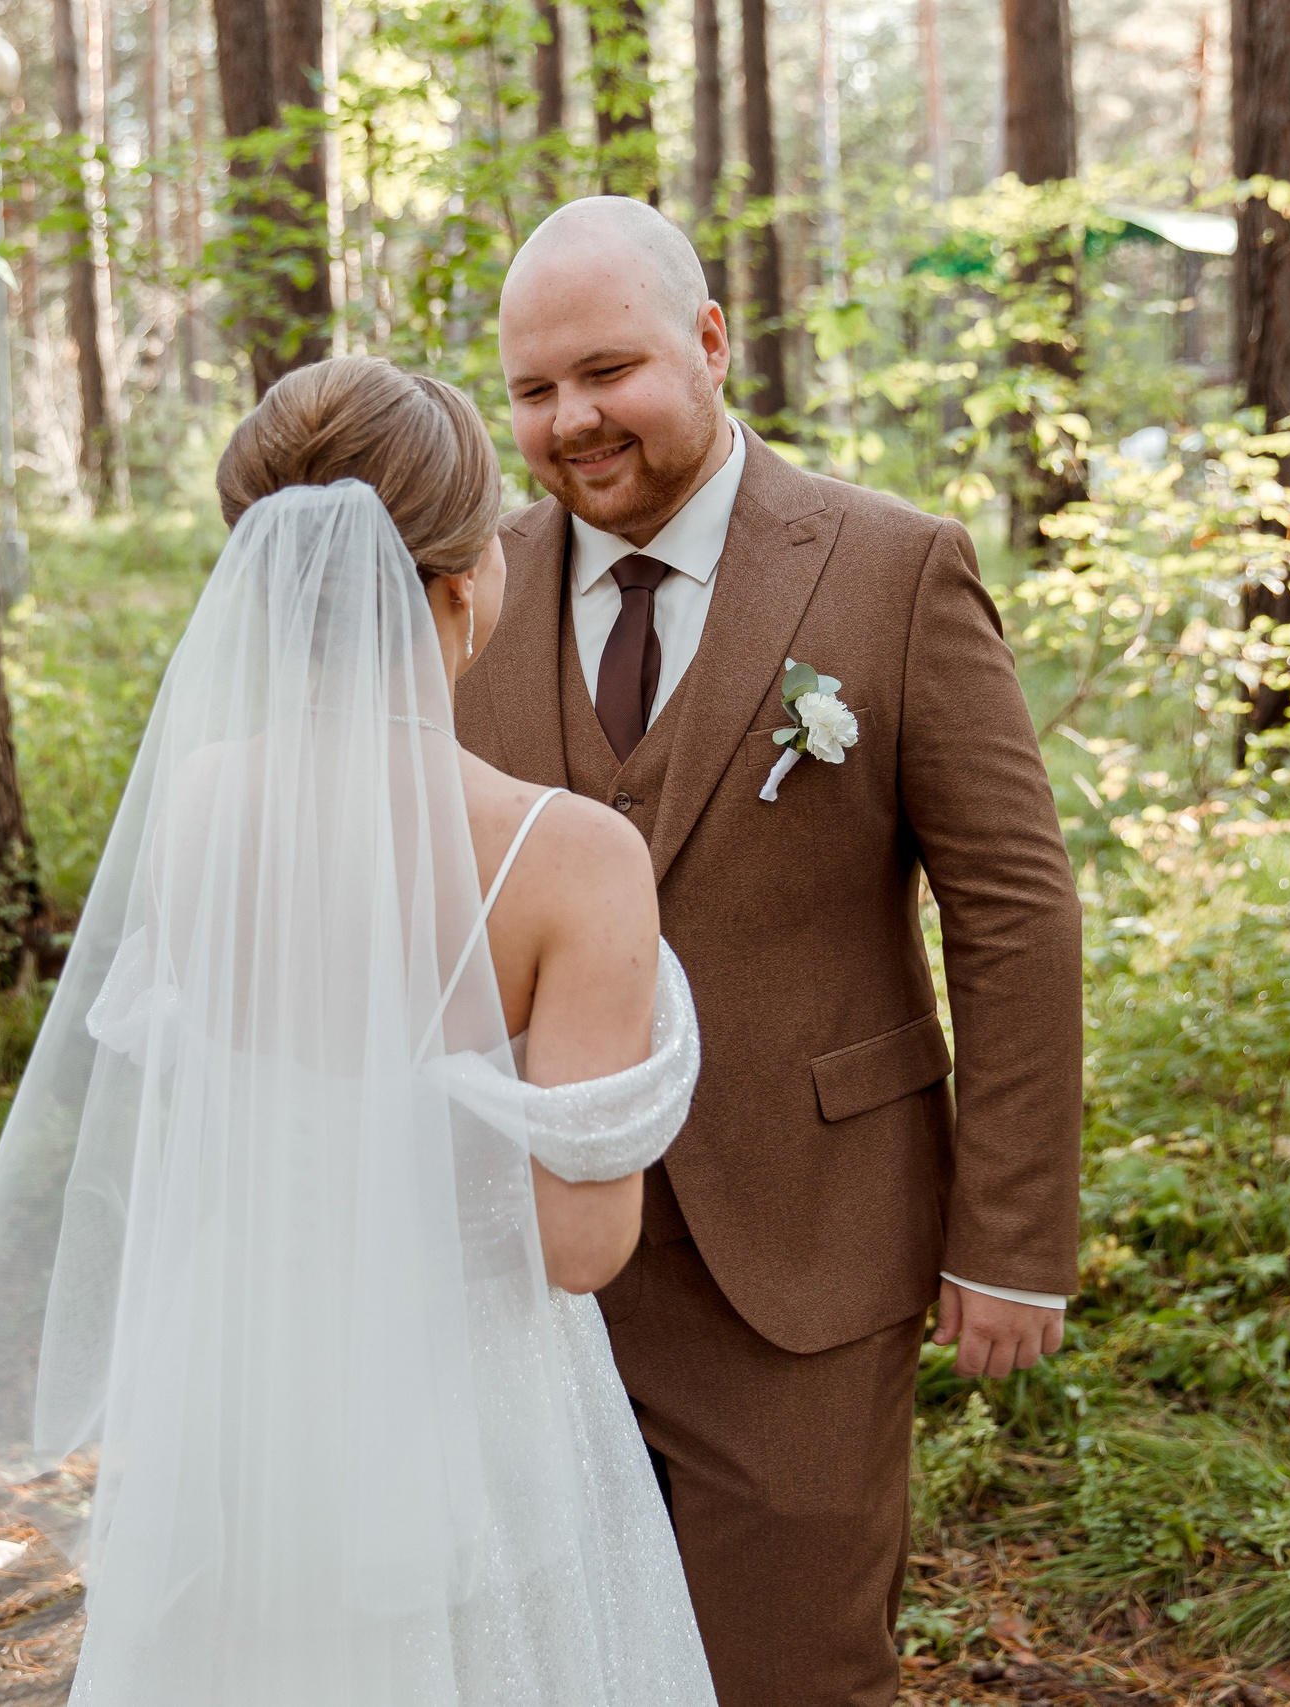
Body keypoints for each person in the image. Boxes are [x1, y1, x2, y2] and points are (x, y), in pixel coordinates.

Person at [0, 356, 719, 1706]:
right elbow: (582, 1246)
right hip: (464, 1425)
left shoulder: (201, 805)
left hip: (241, 1404)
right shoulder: (572, 860)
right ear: (460, 588)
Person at [457, 196, 1086, 1706]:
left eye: (608, 371)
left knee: (795, 1672)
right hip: (526, 1262)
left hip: (807, 1250)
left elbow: (1013, 911)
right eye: (535, 391)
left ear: (712, 341)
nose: (571, 421)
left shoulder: (891, 568)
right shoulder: (469, 585)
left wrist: (1009, 1242)